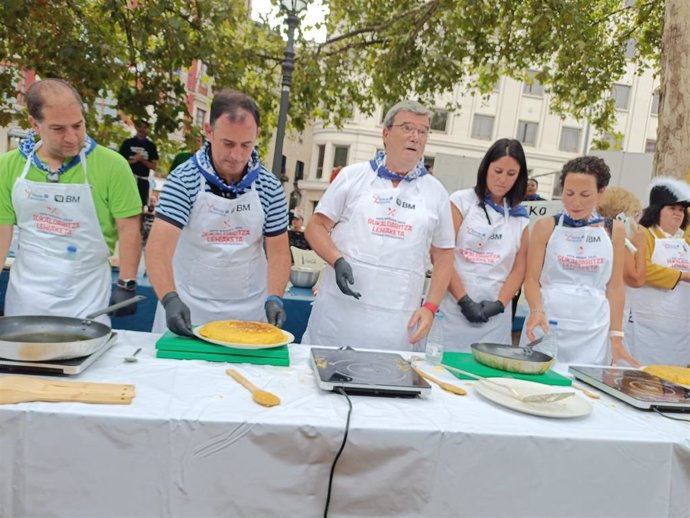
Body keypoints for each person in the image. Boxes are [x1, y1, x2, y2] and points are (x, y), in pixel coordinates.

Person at [302, 100, 455, 350]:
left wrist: (430, 307)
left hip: (396, 326)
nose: (415, 137)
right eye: (407, 128)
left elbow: (445, 255)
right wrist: (336, 259)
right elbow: (316, 226)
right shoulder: (352, 177)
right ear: (386, 134)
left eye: (423, 131)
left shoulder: (436, 193)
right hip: (338, 320)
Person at [146, 89, 291, 336]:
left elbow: (278, 252)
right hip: (188, 307)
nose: (236, 155)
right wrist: (169, 299)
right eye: (227, 143)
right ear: (209, 131)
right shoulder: (184, 180)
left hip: (249, 312)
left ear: (257, 135)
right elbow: (158, 249)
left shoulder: (269, 186)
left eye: (246, 145)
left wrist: (275, 296)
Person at [0, 78, 142, 322]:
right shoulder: (9, 166)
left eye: (78, 125)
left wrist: (127, 283)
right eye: (58, 129)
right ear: (34, 124)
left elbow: (129, 228)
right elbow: (2, 230)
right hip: (26, 300)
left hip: (86, 300)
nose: (72, 137)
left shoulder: (113, 166)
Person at [521, 156, 638, 366]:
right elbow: (531, 280)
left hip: (593, 329)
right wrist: (536, 310)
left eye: (585, 195)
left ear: (601, 192)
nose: (575, 202)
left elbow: (615, 287)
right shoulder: (545, 226)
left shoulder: (614, 231)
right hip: (547, 322)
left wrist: (617, 337)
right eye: (569, 193)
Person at [437, 138, 529, 351]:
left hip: (495, 320)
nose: (502, 180)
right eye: (497, 171)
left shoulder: (520, 217)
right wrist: (464, 301)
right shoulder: (460, 202)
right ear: (485, 167)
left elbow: (519, 267)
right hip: (453, 309)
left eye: (511, 174)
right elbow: (444, 254)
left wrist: (499, 304)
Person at [625, 177, 690, 365]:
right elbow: (642, 269)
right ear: (657, 210)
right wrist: (682, 276)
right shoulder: (643, 234)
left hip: (679, 332)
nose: (678, 214)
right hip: (646, 327)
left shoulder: (683, 242)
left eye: (681, 210)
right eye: (671, 208)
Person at [597, 187, 647, 288]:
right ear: (623, 217)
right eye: (636, 215)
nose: (638, 222)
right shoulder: (619, 239)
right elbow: (636, 279)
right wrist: (641, 246)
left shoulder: (597, 231)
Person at [119, 120, 159, 207]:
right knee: (125, 203)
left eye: (144, 127)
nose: (142, 129)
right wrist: (133, 161)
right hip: (128, 179)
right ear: (136, 128)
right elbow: (119, 162)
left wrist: (142, 160)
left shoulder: (151, 146)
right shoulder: (127, 143)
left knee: (141, 206)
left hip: (143, 181)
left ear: (148, 129)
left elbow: (154, 166)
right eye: (140, 126)